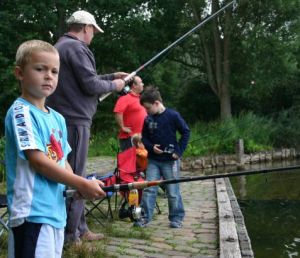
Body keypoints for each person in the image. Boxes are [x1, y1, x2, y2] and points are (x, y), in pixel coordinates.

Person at [5, 40, 106, 257]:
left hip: (56, 214)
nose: (49, 76)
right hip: (32, 214)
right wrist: (81, 182)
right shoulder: (21, 112)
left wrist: (77, 188)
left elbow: (63, 162)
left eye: (54, 71)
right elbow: (38, 161)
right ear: (20, 73)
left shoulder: (58, 118)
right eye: (40, 69)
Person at [47, 10, 128, 243]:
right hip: (75, 121)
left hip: (65, 118)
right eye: (93, 31)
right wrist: (116, 84)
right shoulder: (77, 48)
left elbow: (84, 79)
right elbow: (91, 85)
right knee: (75, 177)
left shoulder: (60, 46)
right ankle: (72, 235)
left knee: (75, 174)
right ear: (85, 28)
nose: (93, 35)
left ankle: (80, 228)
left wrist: (112, 75)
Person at [135, 86, 190, 228]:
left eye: (147, 108)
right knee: (149, 189)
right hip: (153, 161)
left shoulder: (173, 116)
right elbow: (144, 138)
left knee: (172, 191)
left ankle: (176, 218)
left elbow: (185, 132)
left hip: (170, 162)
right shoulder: (148, 119)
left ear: (156, 103)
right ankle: (145, 217)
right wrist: (151, 147)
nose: (146, 111)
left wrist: (178, 151)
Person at [113, 75, 147, 151]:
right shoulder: (125, 98)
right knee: (129, 162)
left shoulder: (141, 99)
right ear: (134, 85)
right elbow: (118, 112)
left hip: (142, 137)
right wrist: (122, 127)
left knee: (141, 161)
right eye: (141, 82)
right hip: (129, 137)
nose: (143, 84)